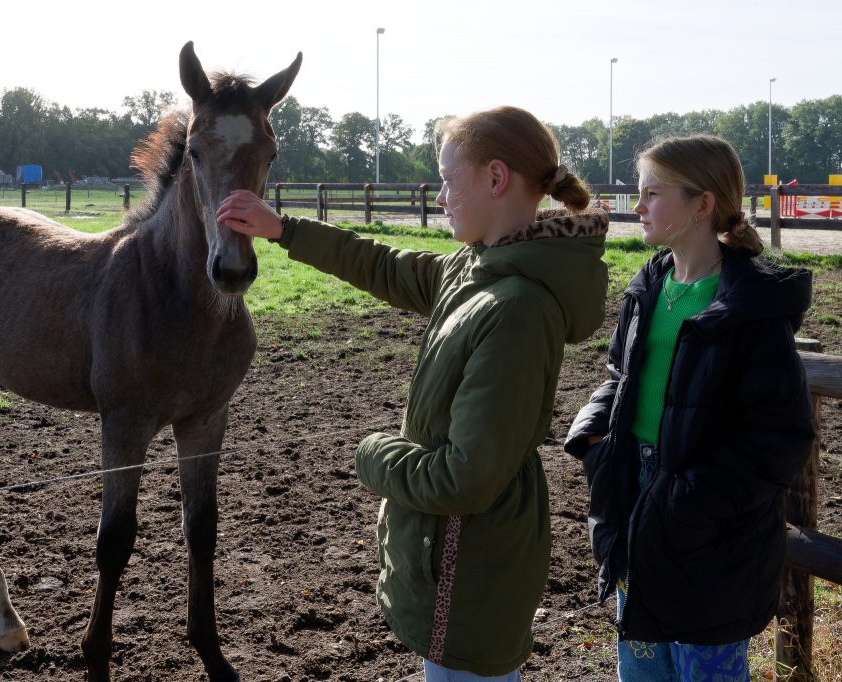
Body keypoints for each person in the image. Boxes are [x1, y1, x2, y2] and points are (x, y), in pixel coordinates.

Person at [218, 106, 609, 681]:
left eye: (450, 181)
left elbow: (464, 478)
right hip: (453, 554)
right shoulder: (478, 269)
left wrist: (374, 454)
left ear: (496, 179)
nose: (441, 196)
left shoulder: (517, 310)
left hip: (468, 566)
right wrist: (285, 230)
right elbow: (383, 265)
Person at [563, 134, 816, 682]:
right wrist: (593, 439)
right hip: (634, 501)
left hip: (710, 529)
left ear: (702, 204)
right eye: (640, 192)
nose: (638, 207)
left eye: (652, 193)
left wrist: (690, 499)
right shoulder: (648, 285)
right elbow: (620, 376)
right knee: (642, 668)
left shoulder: (750, 308)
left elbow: (780, 435)